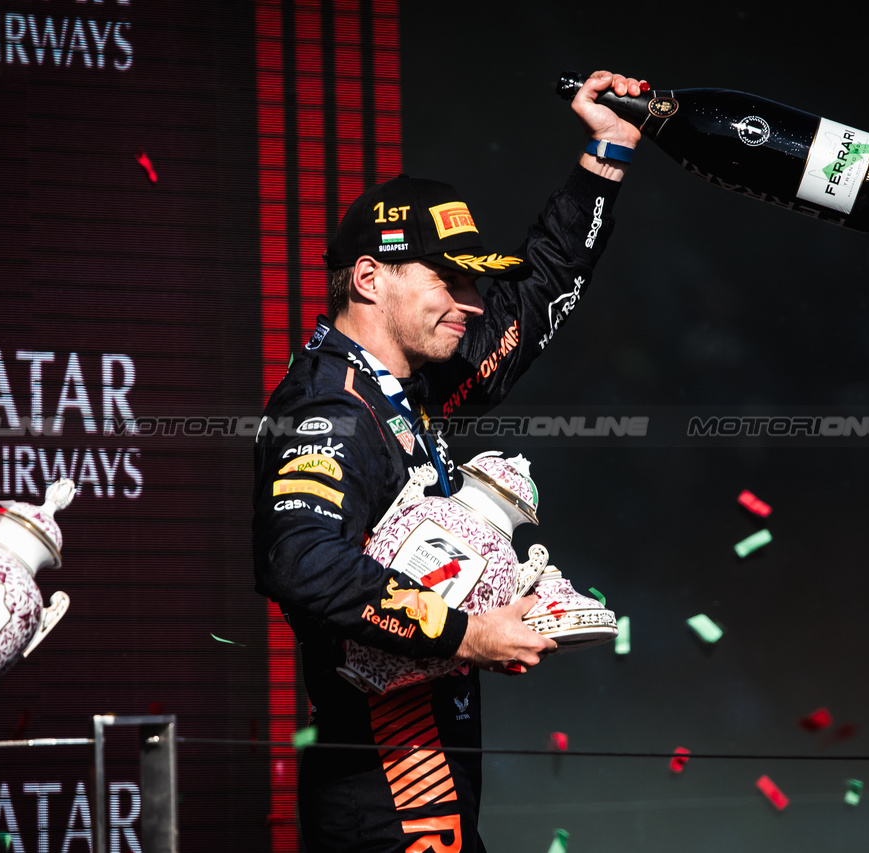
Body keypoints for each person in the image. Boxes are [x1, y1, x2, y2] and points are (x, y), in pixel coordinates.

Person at [252, 70, 645, 852]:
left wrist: (609, 150)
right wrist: (465, 632)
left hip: (434, 777)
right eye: (449, 280)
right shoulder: (329, 408)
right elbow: (301, 566)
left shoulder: (410, 384)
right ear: (369, 277)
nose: (470, 303)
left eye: (472, 281)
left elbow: (534, 299)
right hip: (386, 788)